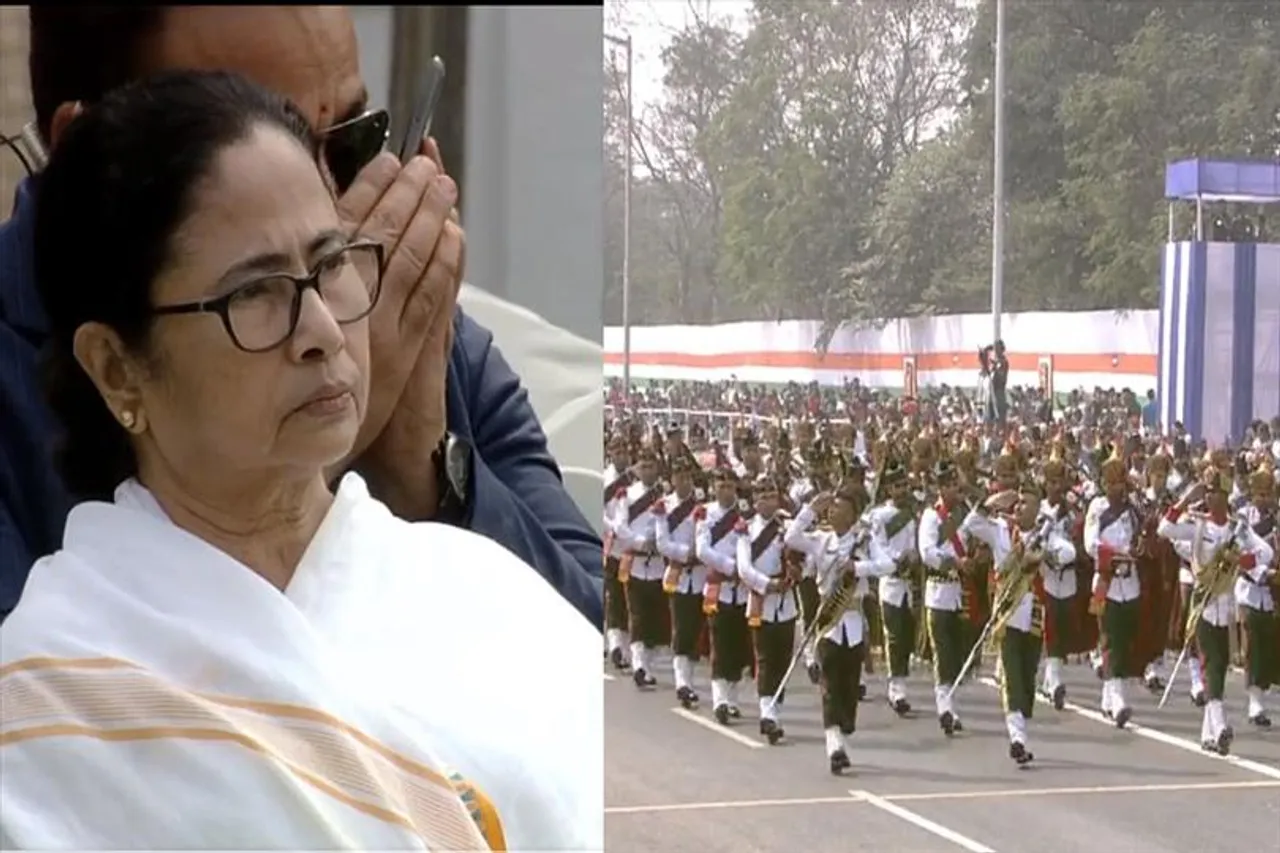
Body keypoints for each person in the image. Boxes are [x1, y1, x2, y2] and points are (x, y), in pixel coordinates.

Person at [0, 71, 601, 850]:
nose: (320, 326)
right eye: (254, 293)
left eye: (331, 264)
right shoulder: (51, 706)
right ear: (117, 367)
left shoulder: (496, 603)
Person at [0, 6, 602, 627]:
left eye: (350, 143)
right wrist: (305, 479)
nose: (321, 206)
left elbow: (603, 669)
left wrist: (425, 477)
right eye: (248, 151)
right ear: (86, 154)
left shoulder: (425, 334)